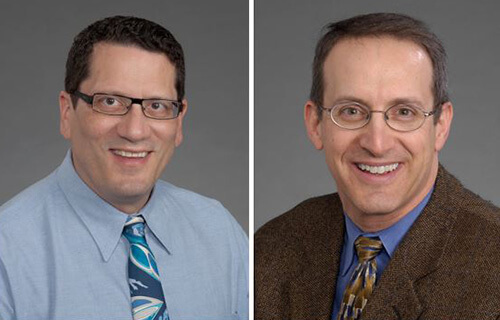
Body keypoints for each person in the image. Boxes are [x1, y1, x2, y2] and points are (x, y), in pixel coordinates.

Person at [0, 16, 248, 320]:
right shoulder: (7, 252)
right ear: (67, 112)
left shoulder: (220, 233)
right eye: (110, 101)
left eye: (157, 106)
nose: (135, 131)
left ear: (179, 121)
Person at [255, 12, 500, 320]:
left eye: (404, 112)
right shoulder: (271, 248)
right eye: (352, 111)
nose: (377, 143)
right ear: (315, 123)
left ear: (440, 125)